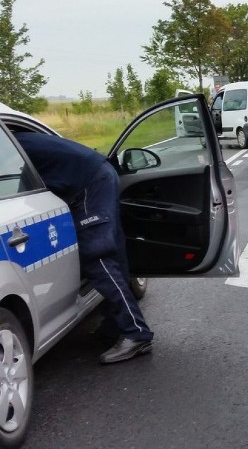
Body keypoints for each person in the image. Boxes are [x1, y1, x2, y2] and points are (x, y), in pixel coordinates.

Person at [15, 132, 154, 364]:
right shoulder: (19, 137)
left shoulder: (6, 141)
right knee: (114, 255)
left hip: (89, 182)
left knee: (97, 255)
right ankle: (114, 325)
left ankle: (136, 333)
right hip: (98, 174)